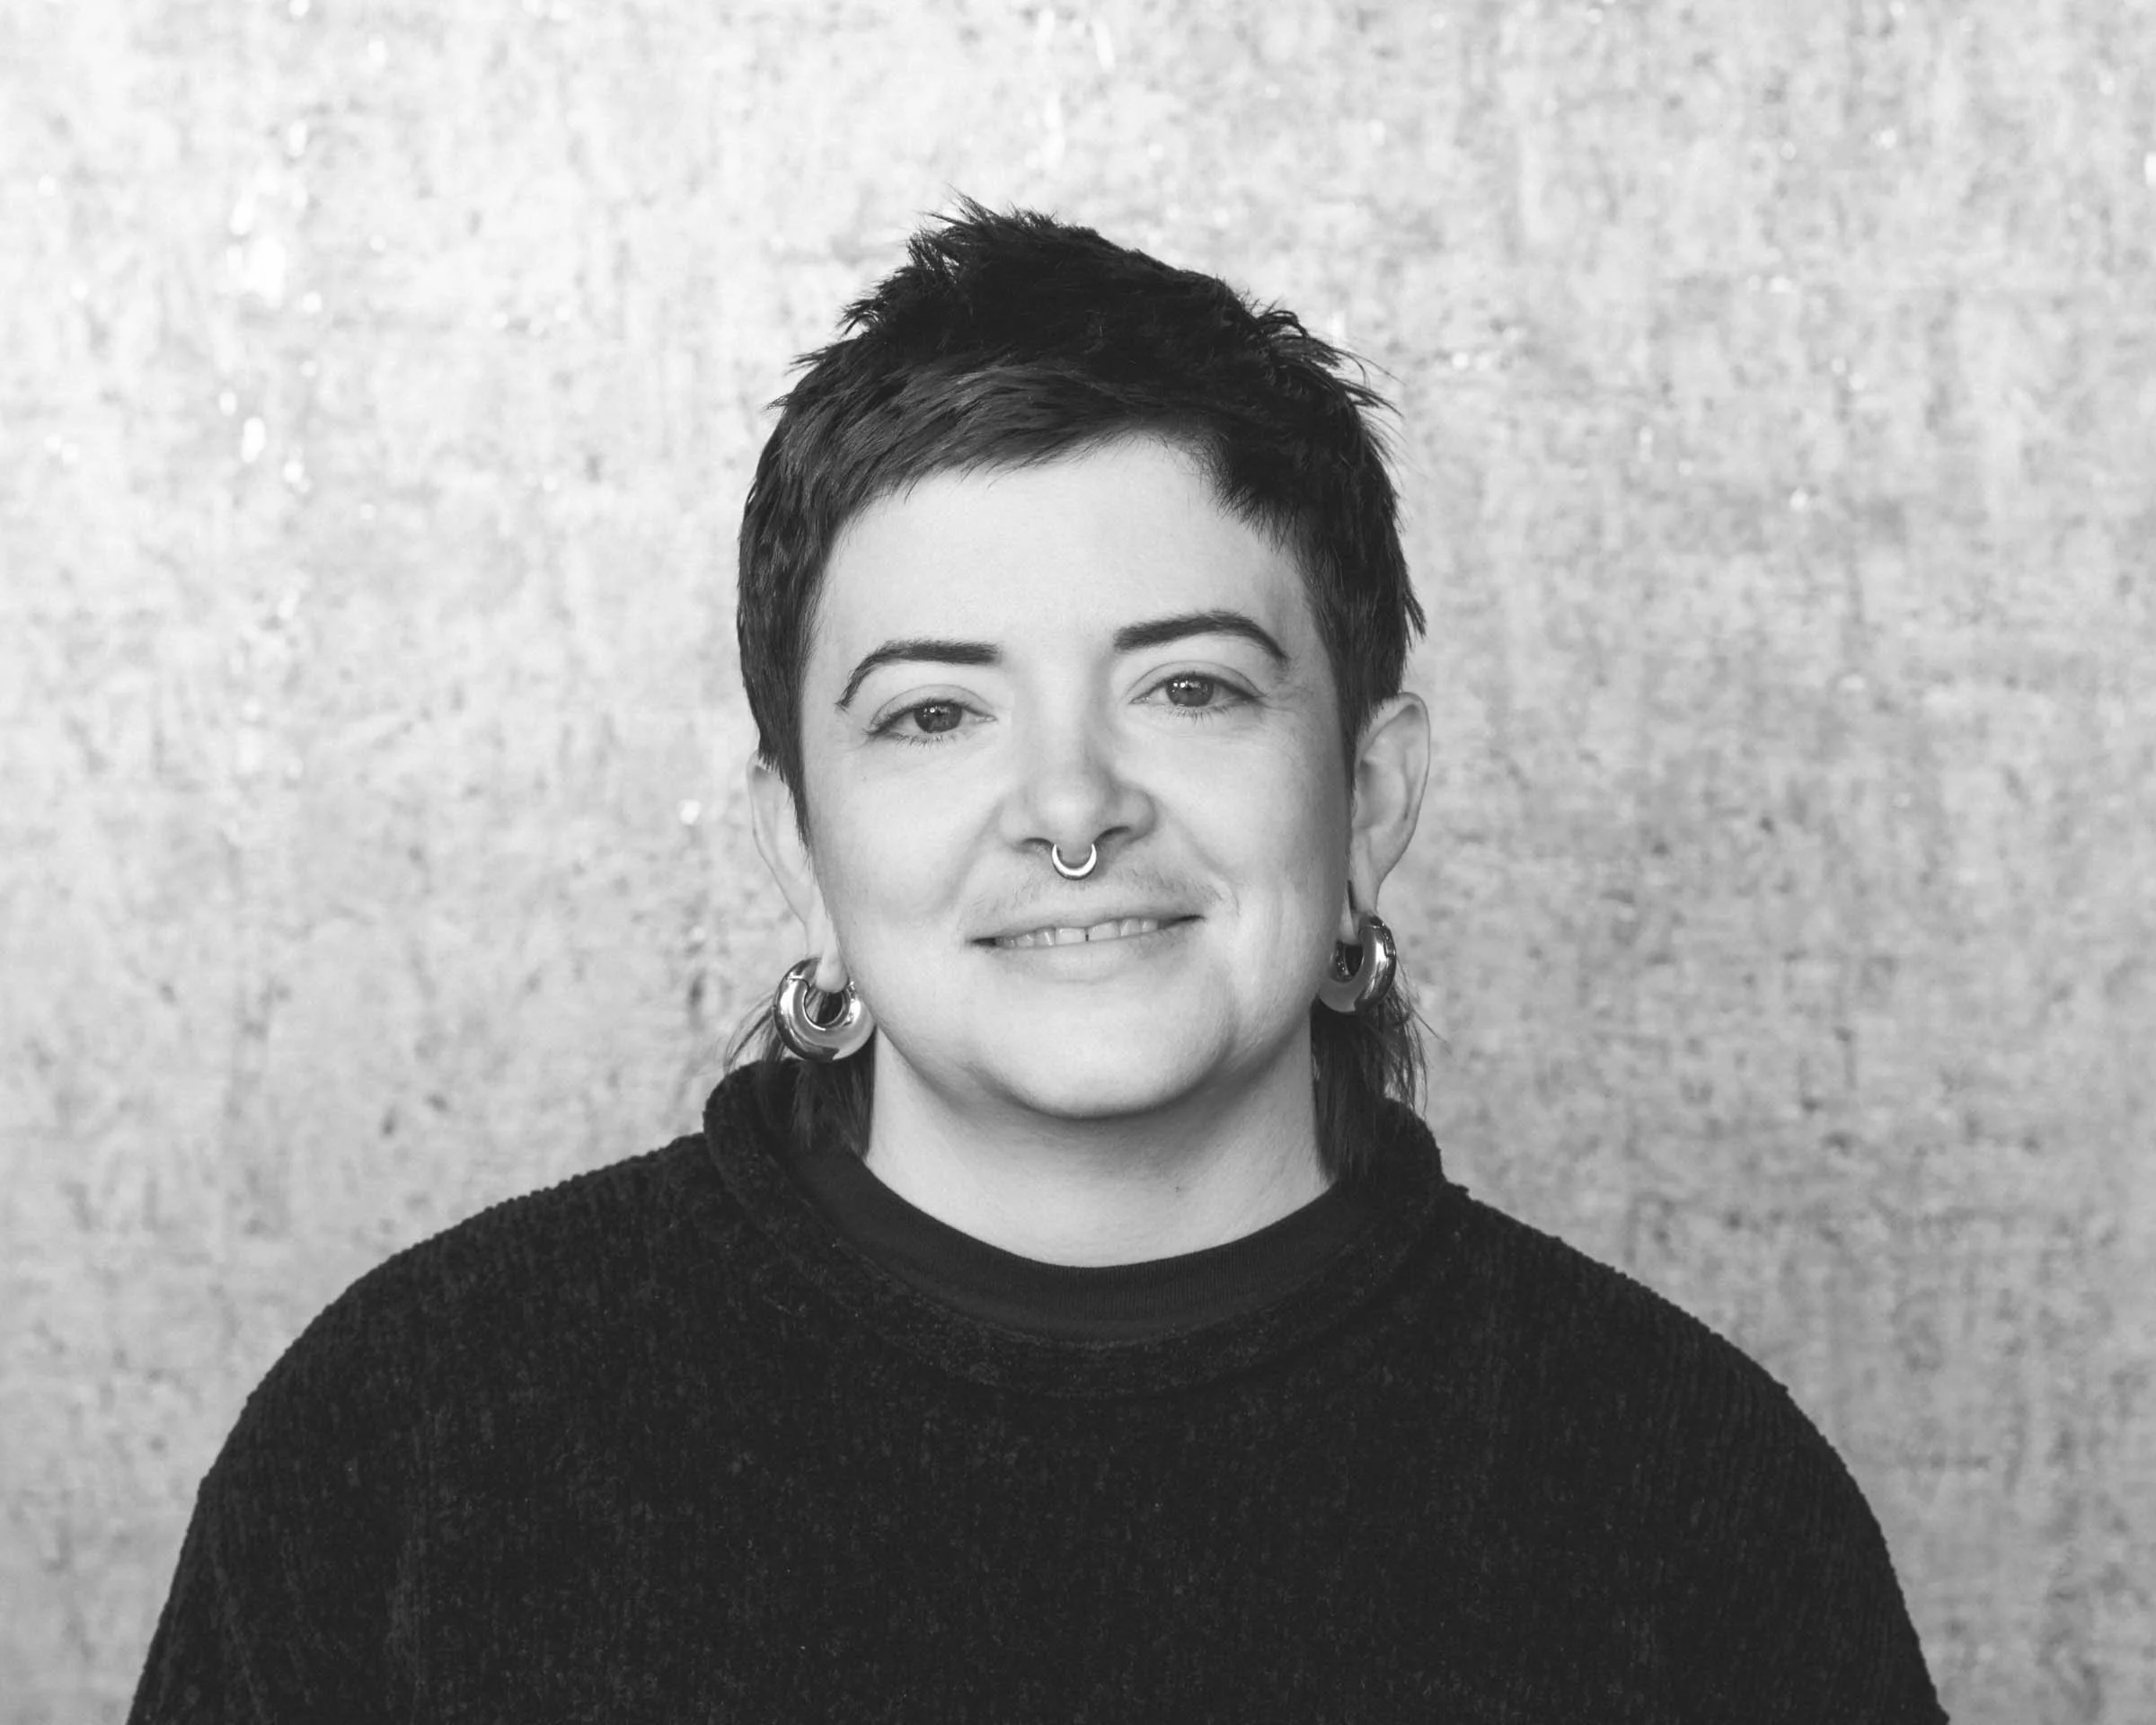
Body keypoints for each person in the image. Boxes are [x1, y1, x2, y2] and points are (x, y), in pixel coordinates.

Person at [130, 202, 1946, 1721]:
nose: (1071, 806)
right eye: (933, 713)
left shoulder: (1688, 1500)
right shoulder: (420, 1439)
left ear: (1369, 789)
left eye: (1192, 687)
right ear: (800, 841)